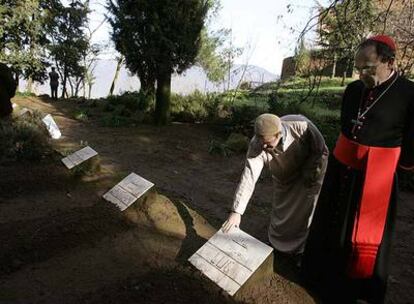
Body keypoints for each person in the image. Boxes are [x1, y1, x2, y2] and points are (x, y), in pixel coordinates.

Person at [302, 35, 414, 304]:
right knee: (331, 224)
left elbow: (411, 141)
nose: (361, 74)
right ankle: (321, 278)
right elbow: (346, 127)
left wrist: (397, 163)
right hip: (342, 170)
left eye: (368, 68)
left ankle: (358, 290)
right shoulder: (353, 90)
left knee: (362, 236)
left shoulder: (409, 94)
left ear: (389, 61)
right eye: (358, 67)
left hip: (377, 178)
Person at [222, 113, 329, 257]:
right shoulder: (257, 144)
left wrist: (311, 170)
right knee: (281, 211)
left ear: (279, 134)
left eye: (267, 143)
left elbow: (320, 148)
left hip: (309, 170)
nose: (264, 146)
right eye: (261, 141)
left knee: (306, 212)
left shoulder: (301, 125)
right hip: (284, 174)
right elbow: (249, 177)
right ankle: (277, 244)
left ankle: (301, 252)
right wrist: (236, 212)